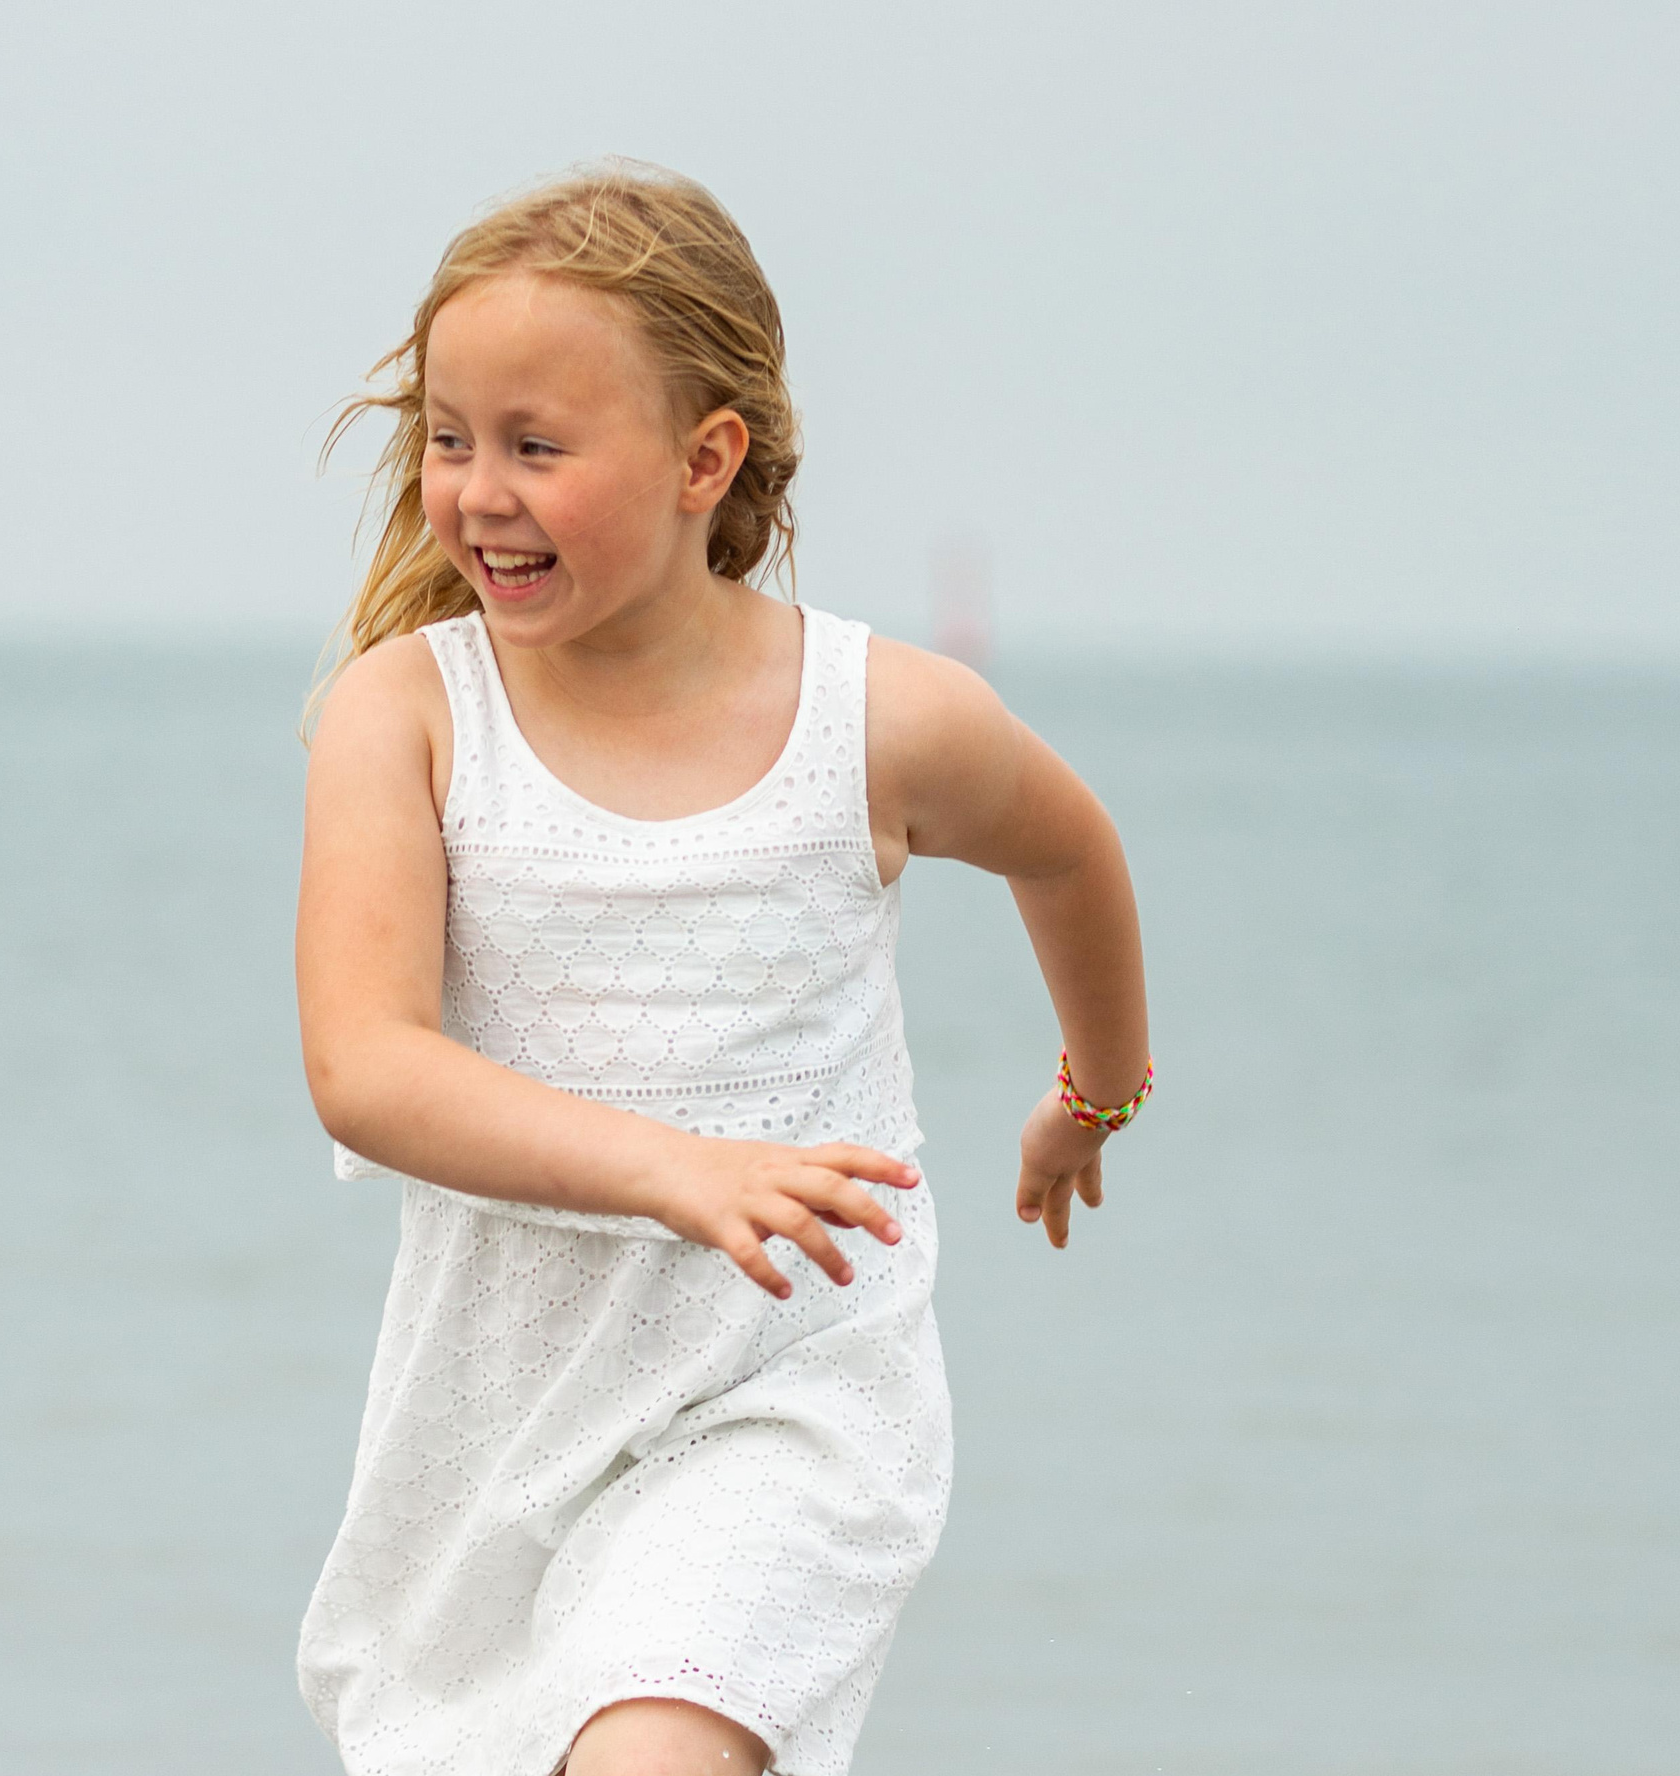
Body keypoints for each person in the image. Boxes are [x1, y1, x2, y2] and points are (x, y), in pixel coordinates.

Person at [292, 160, 1151, 1776]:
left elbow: (1071, 849)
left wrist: (1093, 1095)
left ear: (706, 459)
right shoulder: (404, 715)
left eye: (537, 447)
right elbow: (367, 1064)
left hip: (794, 1397)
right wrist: (670, 1169)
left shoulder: (876, 718)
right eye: (451, 438)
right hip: (501, 1426)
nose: (477, 491)